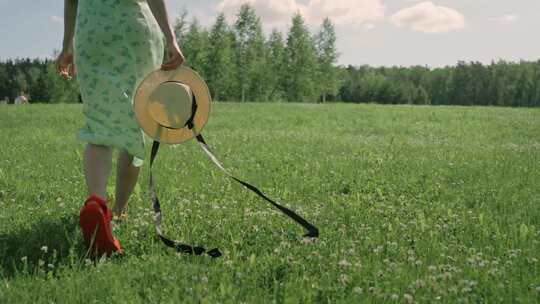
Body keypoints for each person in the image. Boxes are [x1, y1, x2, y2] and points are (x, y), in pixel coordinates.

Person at [56, 0, 185, 256]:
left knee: (98, 126)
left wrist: (66, 45)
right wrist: (171, 39)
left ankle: (97, 201)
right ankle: (119, 211)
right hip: (135, 30)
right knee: (137, 122)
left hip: (93, 33)